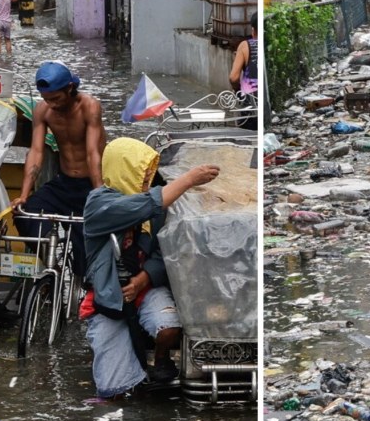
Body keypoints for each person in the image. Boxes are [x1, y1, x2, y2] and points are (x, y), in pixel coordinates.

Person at [80, 138, 220, 394]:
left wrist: (144, 279)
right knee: (112, 388)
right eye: (141, 178)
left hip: (145, 286)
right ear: (124, 173)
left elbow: (163, 248)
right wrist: (188, 179)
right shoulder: (99, 204)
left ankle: (161, 358)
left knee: (169, 328)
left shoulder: (156, 206)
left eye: (148, 179)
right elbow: (144, 205)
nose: (146, 185)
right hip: (110, 295)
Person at [14, 61, 106, 277]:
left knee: (87, 254)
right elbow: (36, 152)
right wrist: (24, 195)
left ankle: (84, 284)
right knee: (24, 214)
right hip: (63, 182)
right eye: (47, 99)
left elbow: (94, 153)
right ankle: (52, 263)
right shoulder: (43, 110)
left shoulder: (89, 106)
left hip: (90, 185)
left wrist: (99, 193)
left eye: (56, 99)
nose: (52, 104)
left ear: (70, 89)